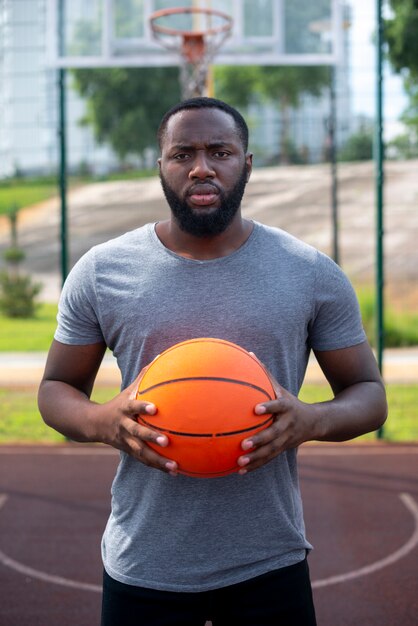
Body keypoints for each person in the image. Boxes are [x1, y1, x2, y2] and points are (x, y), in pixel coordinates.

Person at [38, 97, 387, 626]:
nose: (201, 167)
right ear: (161, 166)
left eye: (220, 151)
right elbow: (55, 389)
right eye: (183, 154)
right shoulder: (102, 271)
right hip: (144, 563)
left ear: (246, 164)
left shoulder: (309, 272)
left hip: (268, 562)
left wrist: (312, 419)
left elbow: (370, 395)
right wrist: (101, 420)